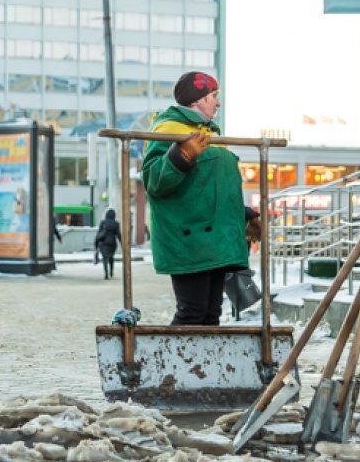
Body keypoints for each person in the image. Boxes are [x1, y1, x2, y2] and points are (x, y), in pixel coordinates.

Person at [141, 71, 260, 325]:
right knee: (192, 312)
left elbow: (210, 190)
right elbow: (153, 181)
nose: (218, 103)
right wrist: (181, 155)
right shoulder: (169, 130)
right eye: (213, 96)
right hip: (190, 238)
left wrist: (243, 216)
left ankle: (201, 366)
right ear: (196, 101)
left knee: (210, 314)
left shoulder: (209, 134)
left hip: (212, 240)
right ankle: (176, 365)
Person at [93, 209, 122, 280]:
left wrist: (96, 245)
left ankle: (106, 273)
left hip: (103, 243)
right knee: (111, 257)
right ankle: (111, 272)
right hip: (112, 243)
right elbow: (118, 234)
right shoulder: (116, 223)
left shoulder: (103, 222)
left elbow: (98, 234)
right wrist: (122, 243)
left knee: (105, 258)